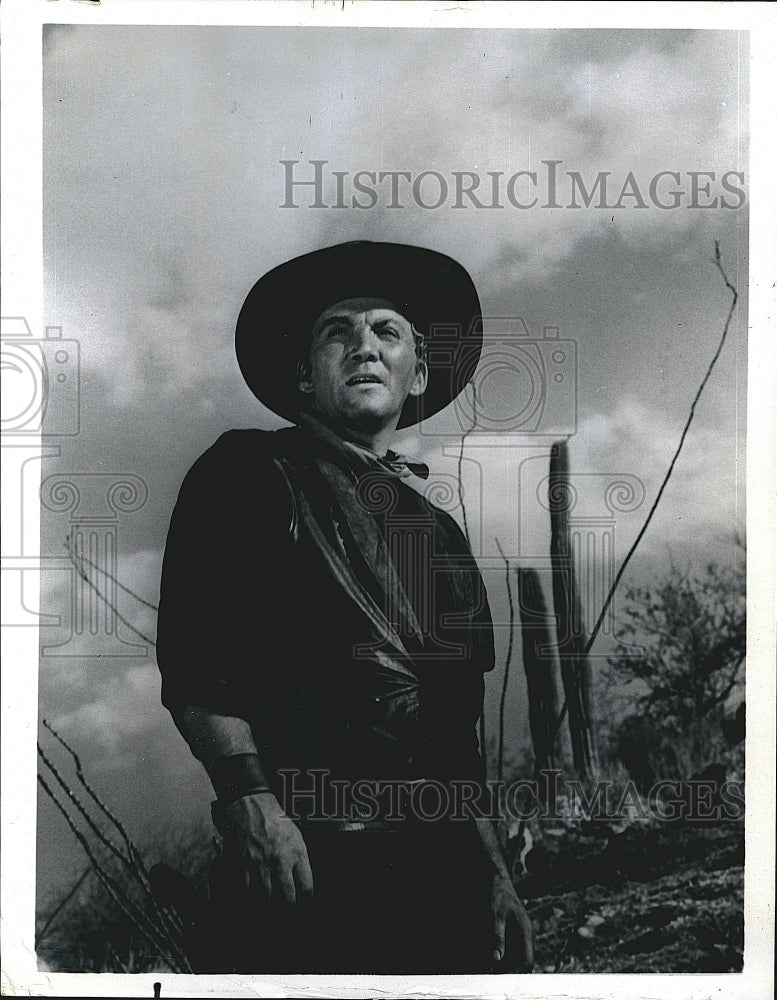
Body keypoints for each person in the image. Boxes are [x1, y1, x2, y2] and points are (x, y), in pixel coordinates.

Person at [156, 241, 534, 974]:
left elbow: (459, 733)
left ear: (417, 372)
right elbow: (200, 666)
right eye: (337, 331)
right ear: (305, 372)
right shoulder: (249, 472)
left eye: (386, 331)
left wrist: (493, 873)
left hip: (441, 871)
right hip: (304, 861)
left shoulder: (440, 534)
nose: (362, 345)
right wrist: (251, 806)